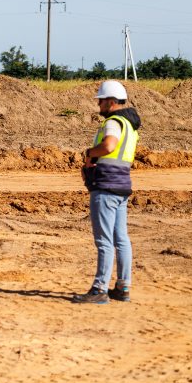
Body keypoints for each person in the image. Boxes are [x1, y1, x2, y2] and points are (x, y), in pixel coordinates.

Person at [72, 80, 142, 304]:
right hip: (122, 185)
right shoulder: (130, 126)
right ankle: (123, 287)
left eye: (101, 100)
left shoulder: (113, 122)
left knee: (104, 241)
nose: (98, 104)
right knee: (121, 238)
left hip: (106, 185)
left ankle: (99, 289)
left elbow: (109, 146)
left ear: (111, 102)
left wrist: (89, 153)